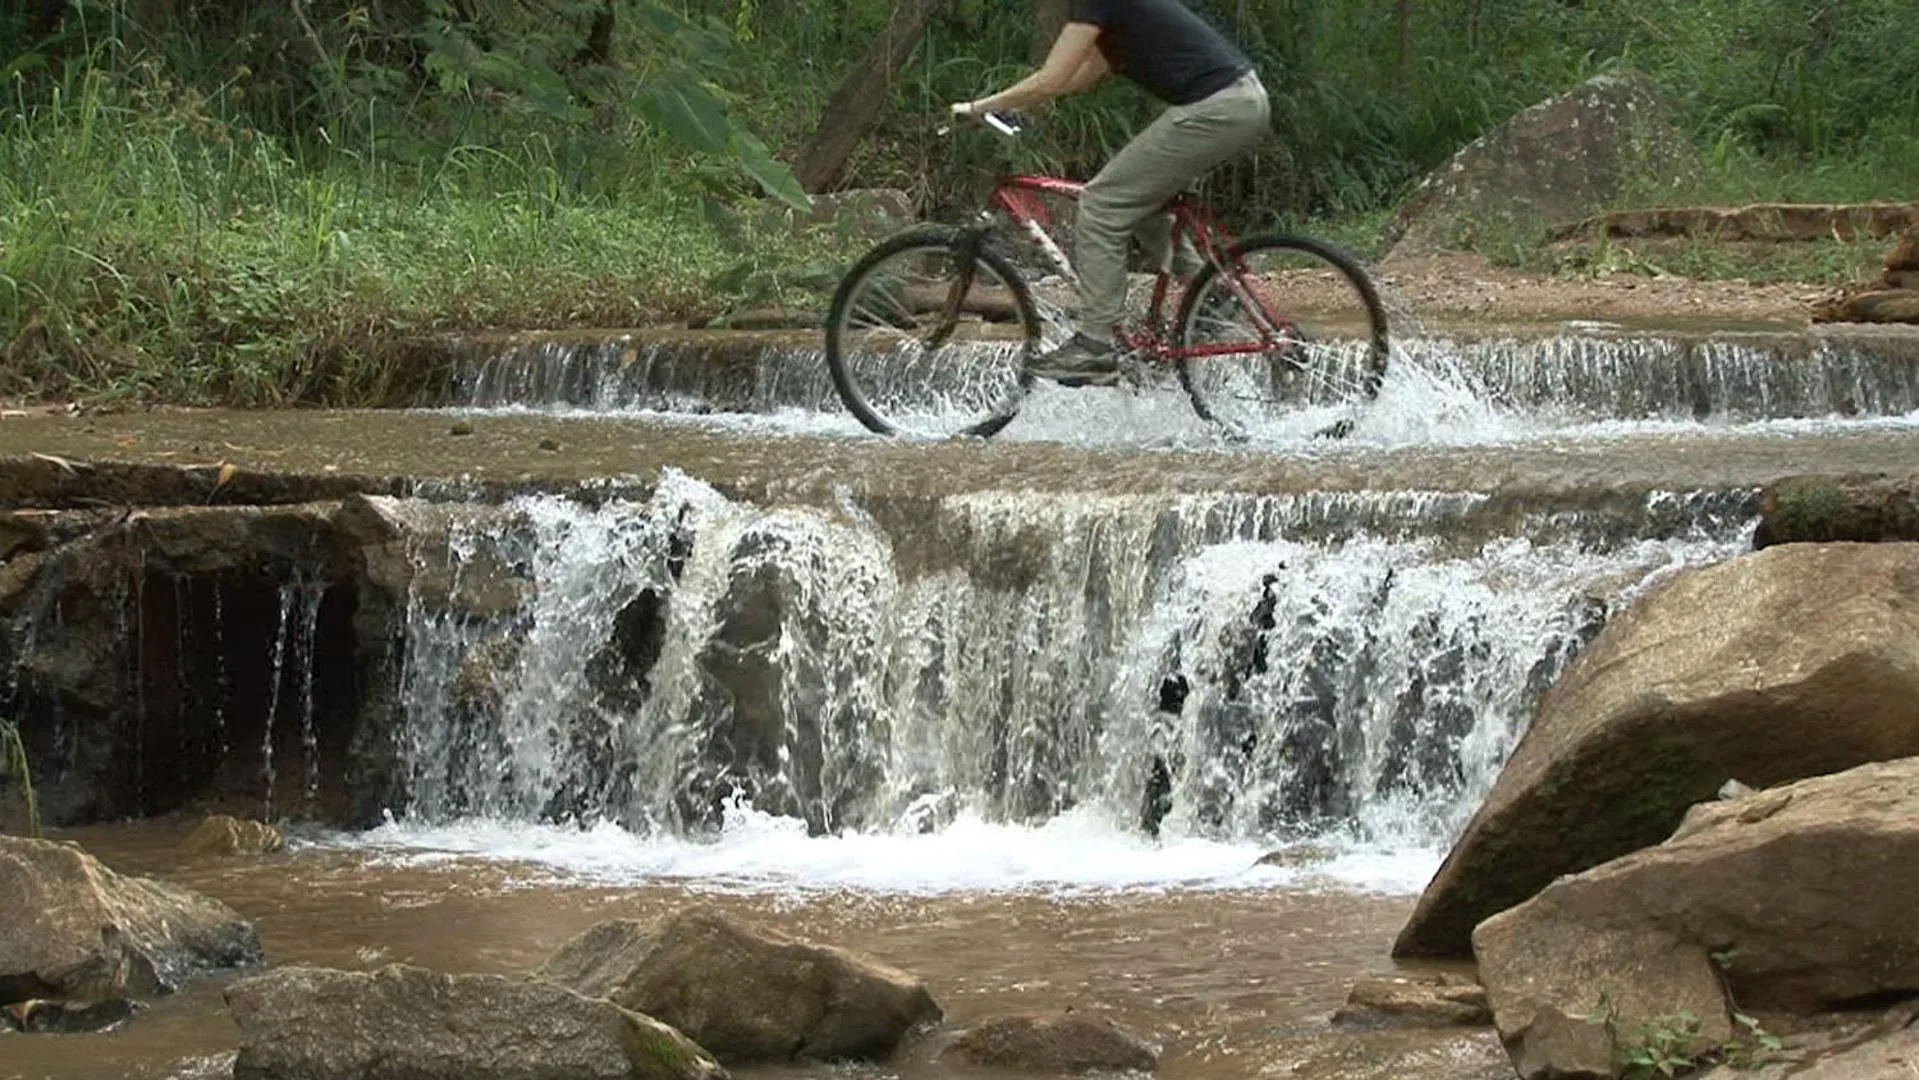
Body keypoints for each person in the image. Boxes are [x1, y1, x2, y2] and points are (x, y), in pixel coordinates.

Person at [952, 0, 1271, 387]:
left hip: (1217, 108)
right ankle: (1210, 290)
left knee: (1101, 203)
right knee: (1138, 202)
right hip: (1239, 102)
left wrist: (979, 106)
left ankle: (1094, 347)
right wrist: (1011, 105)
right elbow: (1078, 77)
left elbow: (1050, 79)